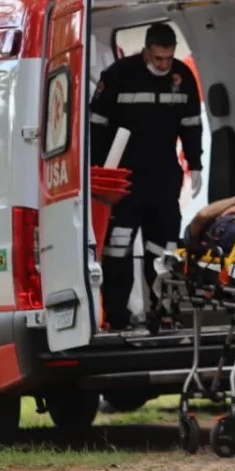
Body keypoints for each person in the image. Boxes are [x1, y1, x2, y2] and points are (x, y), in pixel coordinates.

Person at [90, 23, 203, 332]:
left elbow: (191, 124)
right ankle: (117, 316)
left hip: (163, 178)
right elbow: (96, 126)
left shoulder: (182, 78)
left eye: (168, 58)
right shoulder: (118, 75)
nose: (164, 65)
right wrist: (97, 170)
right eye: (158, 59)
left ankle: (163, 314)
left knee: (163, 251)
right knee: (118, 249)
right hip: (122, 180)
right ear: (146, 52)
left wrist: (196, 164)